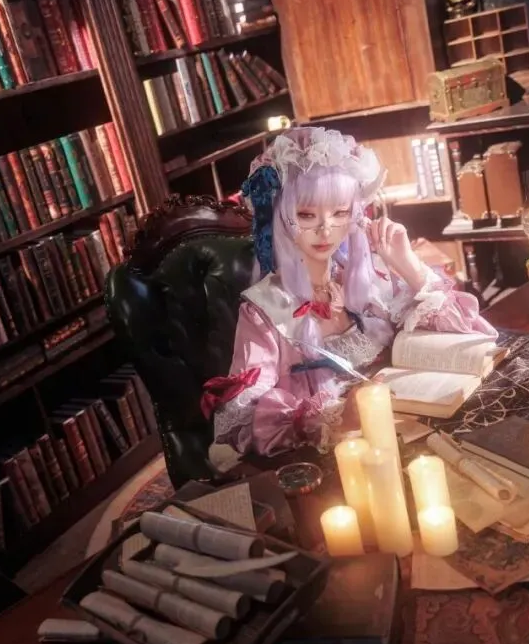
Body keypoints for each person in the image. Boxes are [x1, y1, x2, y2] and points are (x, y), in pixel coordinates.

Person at [201, 127, 497, 456]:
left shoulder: (372, 278)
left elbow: (464, 336)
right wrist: (338, 417)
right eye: (306, 215)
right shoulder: (265, 310)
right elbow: (244, 420)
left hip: (416, 431)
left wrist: (408, 265)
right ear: (282, 218)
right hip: (340, 457)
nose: (326, 229)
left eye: (340, 213)